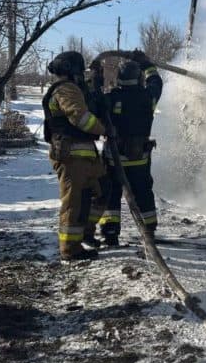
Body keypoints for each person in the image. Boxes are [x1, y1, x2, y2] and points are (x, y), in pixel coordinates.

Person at [42, 51, 107, 260]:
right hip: (71, 157)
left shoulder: (73, 88)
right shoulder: (66, 90)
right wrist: (103, 129)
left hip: (84, 157)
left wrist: (96, 79)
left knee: (101, 191)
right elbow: (80, 117)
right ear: (72, 70)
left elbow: (87, 96)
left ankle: (85, 233)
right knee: (74, 203)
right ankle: (70, 249)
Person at [99, 50, 163, 245]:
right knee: (143, 193)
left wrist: (95, 76)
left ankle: (110, 233)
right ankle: (148, 231)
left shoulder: (109, 98)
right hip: (139, 158)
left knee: (111, 195)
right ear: (138, 78)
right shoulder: (147, 97)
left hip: (114, 158)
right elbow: (157, 82)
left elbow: (93, 100)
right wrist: (147, 64)